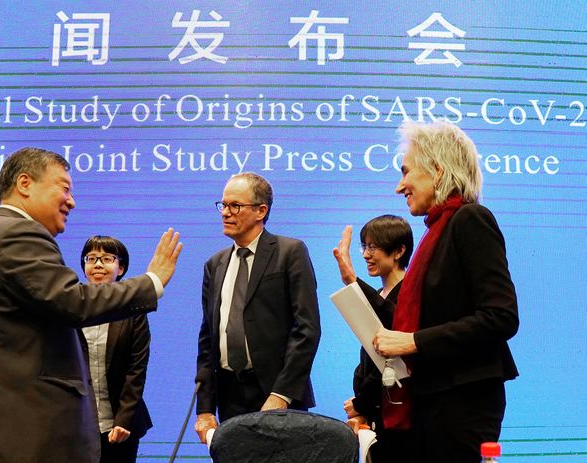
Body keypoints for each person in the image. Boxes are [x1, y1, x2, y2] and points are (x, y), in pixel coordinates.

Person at [0, 147, 182, 463]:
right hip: (17, 439)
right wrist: (152, 281)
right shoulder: (17, 233)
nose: (72, 201)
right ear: (25, 183)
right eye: (64, 187)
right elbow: (73, 302)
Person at [343, 122, 518, 463]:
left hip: (460, 404)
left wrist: (414, 342)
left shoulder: (470, 220)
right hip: (429, 400)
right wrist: (355, 284)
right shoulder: (436, 231)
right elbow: (410, 321)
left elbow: (501, 317)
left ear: (437, 171)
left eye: (406, 171)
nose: (399, 186)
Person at [194, 172, 321, 444]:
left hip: (278, 396)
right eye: (223, 205)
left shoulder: (290, 252)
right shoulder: (214, 265)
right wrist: (205, 408)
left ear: (261, 211)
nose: (225, 213)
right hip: (230, 399)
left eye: (235, 206)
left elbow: (306, 329)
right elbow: (208, 340)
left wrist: (282, 394)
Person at [333, 215, 414, 462]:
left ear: (399, 250)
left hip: (404, 417)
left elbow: (392, 359)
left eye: (374, 247)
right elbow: (368, 355)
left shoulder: (411, 294)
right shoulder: (379, 293)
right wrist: (361, 405)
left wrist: (362, 402)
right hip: (377, 415)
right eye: (364, 247)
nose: (366, 255)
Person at [80, 236, 153, 463]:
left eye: (107, 258)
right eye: (91, 258)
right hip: (77, 425)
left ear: (120, 268)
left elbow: (136, 371)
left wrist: (124, 420)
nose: (98, 264)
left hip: (121, 425)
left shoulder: (133, 311)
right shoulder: (71, 306)